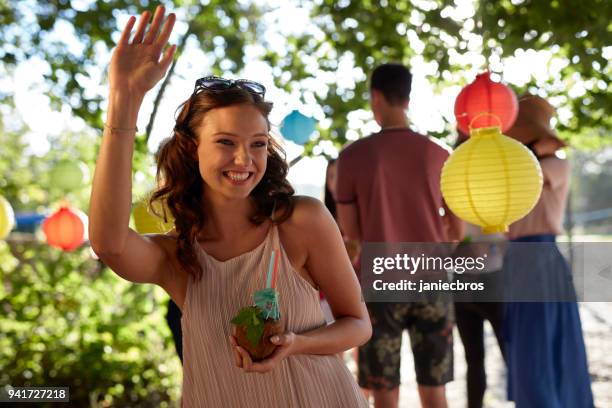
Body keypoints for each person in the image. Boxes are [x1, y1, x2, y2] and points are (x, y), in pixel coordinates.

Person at [89, 6, 371, 407]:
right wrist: (124, 98)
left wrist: (297, 343)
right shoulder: (178, 257)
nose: (245, 160)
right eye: (225, 142)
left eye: (257, 143)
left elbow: (358, 324)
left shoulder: (301, 221)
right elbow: (108, 243)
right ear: (192, 147)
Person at [336, 63, 463, 408]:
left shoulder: (351, 158)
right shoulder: (440, 156)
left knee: (384, 391)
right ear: (407, 98)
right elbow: (458, 230)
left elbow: (352, 233)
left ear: (376, 97)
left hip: (380, 283)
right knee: (435, 388)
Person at [504, 95, 594, 408]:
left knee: (542, 347)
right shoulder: (516, 167)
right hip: (517, 258)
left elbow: (533, 177)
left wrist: (529, 151)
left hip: (540, 256)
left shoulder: (554, 165)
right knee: (526, 347)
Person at [452, 133, 506, 408]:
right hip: (463, 285)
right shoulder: (450, 193)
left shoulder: (499, 191)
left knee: (508, 352)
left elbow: (507, 238)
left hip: (492, 280)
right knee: (474, 358)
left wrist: (487, 246)